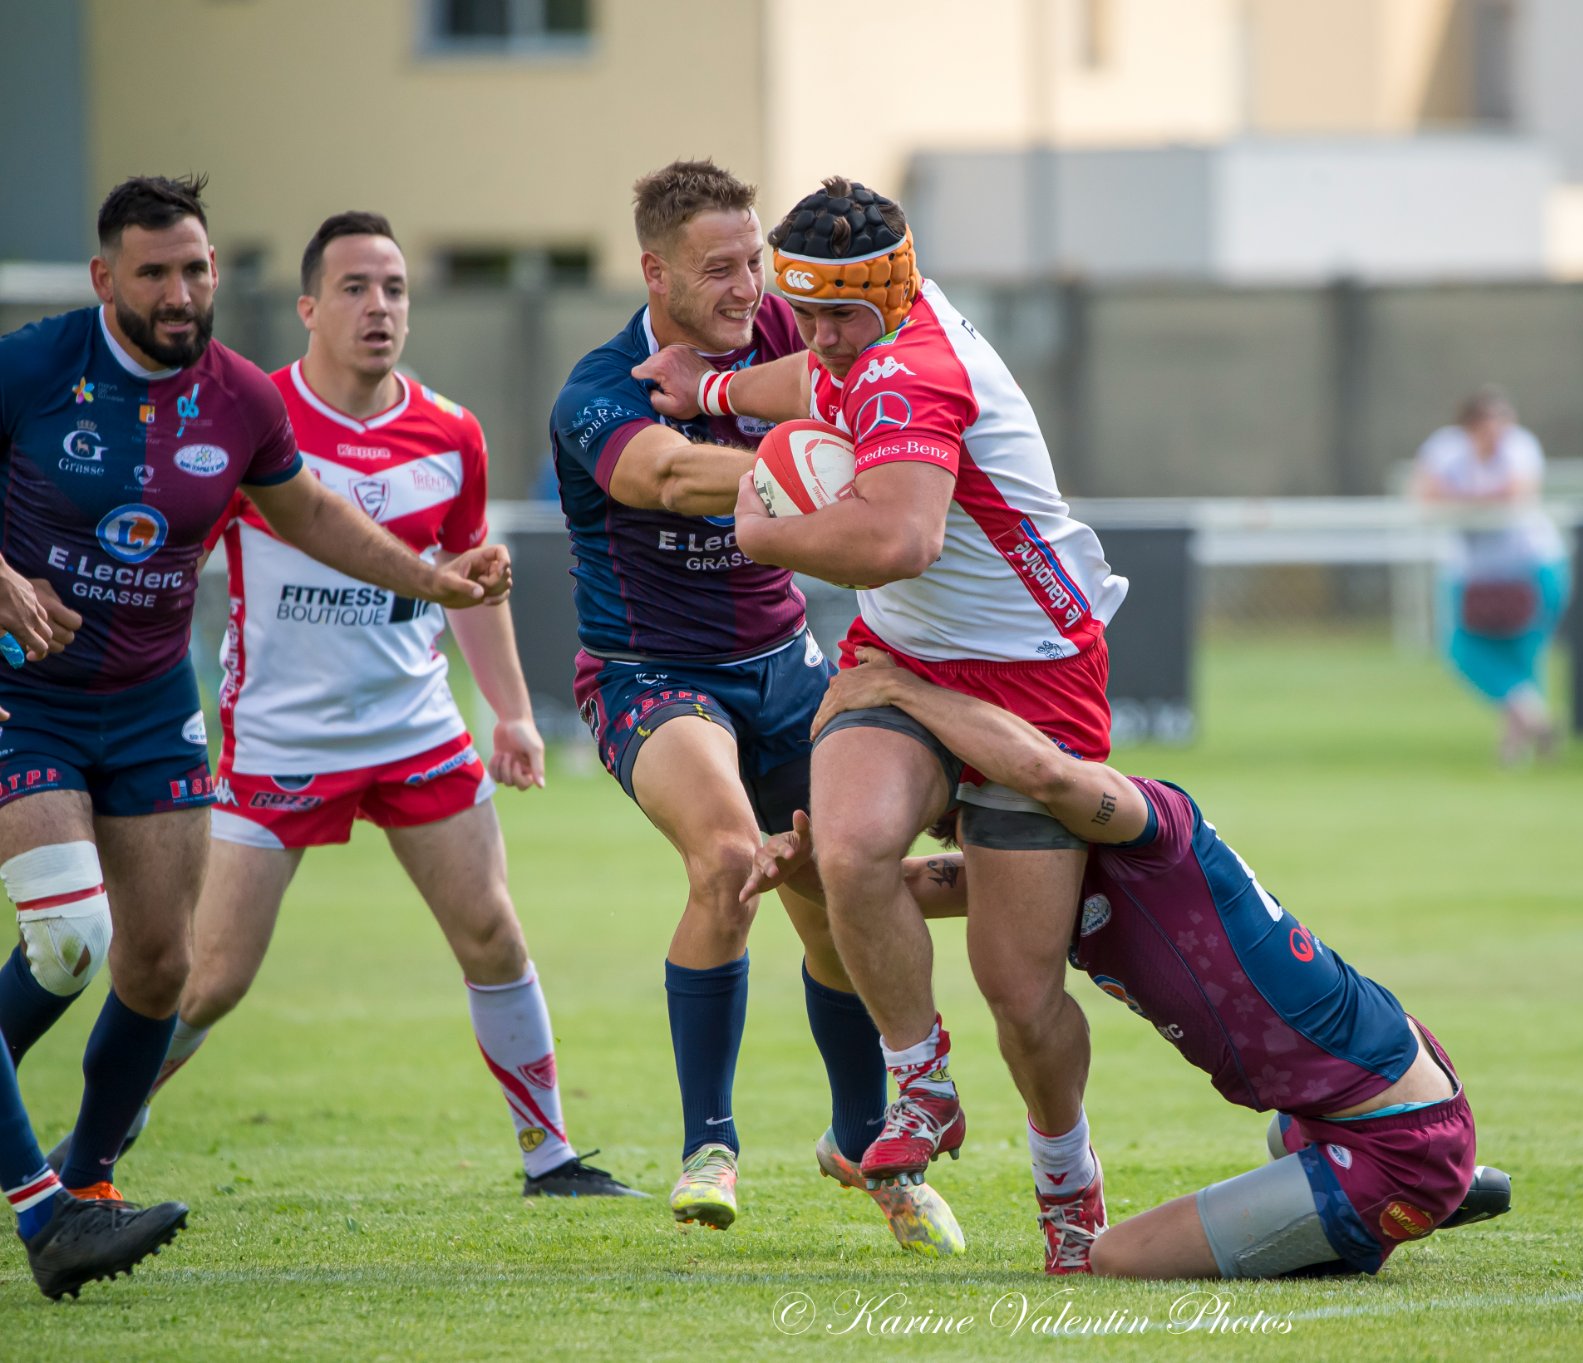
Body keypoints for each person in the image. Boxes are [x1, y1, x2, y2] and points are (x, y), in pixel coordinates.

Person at [44, 212, 635, 1197]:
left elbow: (468, 579)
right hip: (280, 737)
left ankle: (551, 1156)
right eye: (356, 288)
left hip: (414, 729)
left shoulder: (451, 432)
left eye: (396, 288)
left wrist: (512, 711)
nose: (379, 307)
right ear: (310, 306)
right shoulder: (244, 419)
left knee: (492, 932)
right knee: (213, 974)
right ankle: (98, 1139)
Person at [0, 175, 506, 1291]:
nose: (179, 294)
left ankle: (88, 1187)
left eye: (196, 270)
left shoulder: (238, 398)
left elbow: (314, 514)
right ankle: (45, 1213)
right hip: (23, 696)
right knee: (70, 937)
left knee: (162, 962)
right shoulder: (35, 364)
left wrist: (435, 582)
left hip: (147, 706)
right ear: (105, 281)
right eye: (153, 273)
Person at [636, 177, 1128, 1272]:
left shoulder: (914, 371)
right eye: (803, 311)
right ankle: (921, 1084)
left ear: (894, 297)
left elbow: (900, 540)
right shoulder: (862, 331)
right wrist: (711, 391)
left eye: (838, 318)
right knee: (846, 851)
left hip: (1029, 675)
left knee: (1019, 982)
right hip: (897, 655)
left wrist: (766, 533)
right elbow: (808, 373)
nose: (820, 340)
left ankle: (1066, 1177)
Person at [745, 650, 1513, 1278]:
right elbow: (886, 888)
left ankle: (1420, 1191)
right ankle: (1415, 1183)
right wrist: (807, 862)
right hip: (1335, 1104)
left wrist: (900, 689)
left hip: (1393, 1129)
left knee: (1109, 1257)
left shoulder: (1150, 823)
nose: (951, 824)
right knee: (1287, 1143)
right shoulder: (1029, 880)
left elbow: (1047, 775)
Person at [550, 160, 960, 1253]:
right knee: (730, 858)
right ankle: (710, 1146)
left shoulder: (795, 329)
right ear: (655, 271)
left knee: (841, 888)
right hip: (651, 673)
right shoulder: (596, 386)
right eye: (718, 269)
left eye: (752, 265)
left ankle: (865, 1142)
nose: (745, 289)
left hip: (784, 663)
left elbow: (892, 386)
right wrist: (813, 463)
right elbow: (668, 480)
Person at [1410, 386, 1569, 763]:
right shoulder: (1445, 450)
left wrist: (1460, 500)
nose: (1497, 432)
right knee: (1464, 651)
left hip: (1529, 566)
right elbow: (1425, 496)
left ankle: (1513, 750)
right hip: (1475, 573)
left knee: (1523, 656)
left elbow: (1515, 495)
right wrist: (1472, 499)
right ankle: (1537, 722)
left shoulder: (1520, 447)